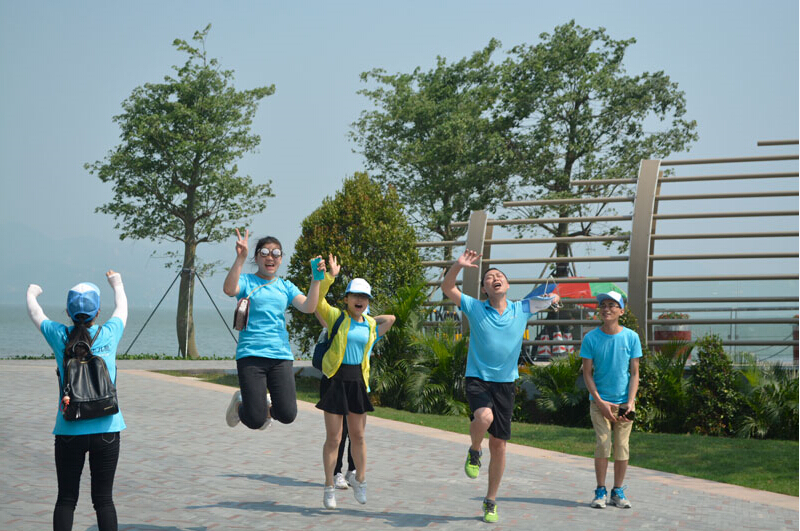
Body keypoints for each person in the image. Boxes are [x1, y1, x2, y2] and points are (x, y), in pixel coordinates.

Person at [441, 249, 559, 523]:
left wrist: (555, 298)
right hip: (478, 378)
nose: (494, 278)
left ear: (507, 285)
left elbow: (550, 297)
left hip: (505, 384)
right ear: (484, 289)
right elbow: (447, 287)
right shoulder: (475, 307)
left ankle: (490, 500)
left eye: (499, 276)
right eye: (489, 277)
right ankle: (474, 450)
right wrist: (458, 265)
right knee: (484, 417)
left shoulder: (522, 308)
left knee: (500, 446)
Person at [26, 271, 128, 531]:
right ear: (98, 312)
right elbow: (122, 307)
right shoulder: (110, 333)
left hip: (69, 428)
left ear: (68, 313)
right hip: (108, 428)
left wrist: (32, 291)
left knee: (66, 499)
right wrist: (116, 282)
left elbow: (35, 312)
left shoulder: (59, 335)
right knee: (104, 500)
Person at [315, 255, 395, 509]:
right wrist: (330, 277)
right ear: (346, 298)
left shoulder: (370, 324)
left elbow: (390, 319)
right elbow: (317, 301)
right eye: (355, 296)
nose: (359, 300)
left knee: (358, 437)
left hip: (358, 383)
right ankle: (329, 486)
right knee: (334, 438)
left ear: (368, 302)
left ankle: (360, 479)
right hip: (335, 381)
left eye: (364, 297)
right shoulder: (336, 317)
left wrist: (369, 315)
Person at [223, 229, 324, 431]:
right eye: (265, 253)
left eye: (276, 253)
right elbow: (229, 289)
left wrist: (316, 280)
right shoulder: (247, 281)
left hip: (280, 356)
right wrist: (240, 259)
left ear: (281, 259)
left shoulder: (285, 286)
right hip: (251, 355)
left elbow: (308, 307)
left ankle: (261, 409)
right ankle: (240, 405)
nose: (270, 257)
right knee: (255, 420)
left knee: (287, 414)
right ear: (256, 258)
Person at [580, 291, 641, 509]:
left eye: (612, 305)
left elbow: (635, 373)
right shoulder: (590, 338)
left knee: (622, 446)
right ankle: (600, 490)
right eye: (603, 305)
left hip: (624, 404)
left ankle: (618, 491)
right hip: (599, 403)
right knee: (603, 444)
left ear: (621, 311)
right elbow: (587, 373)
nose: (606, 309)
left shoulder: (631, 337)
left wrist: (630, 402)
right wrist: (600, 401)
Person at [315, 313, 356, 490]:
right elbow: (318, 310)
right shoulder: (336, 320)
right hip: (334, 381)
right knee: (339, 432)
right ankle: (336, 472)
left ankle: (352, 470)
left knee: (356, 431)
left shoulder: (365, 324)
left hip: (355, 381)